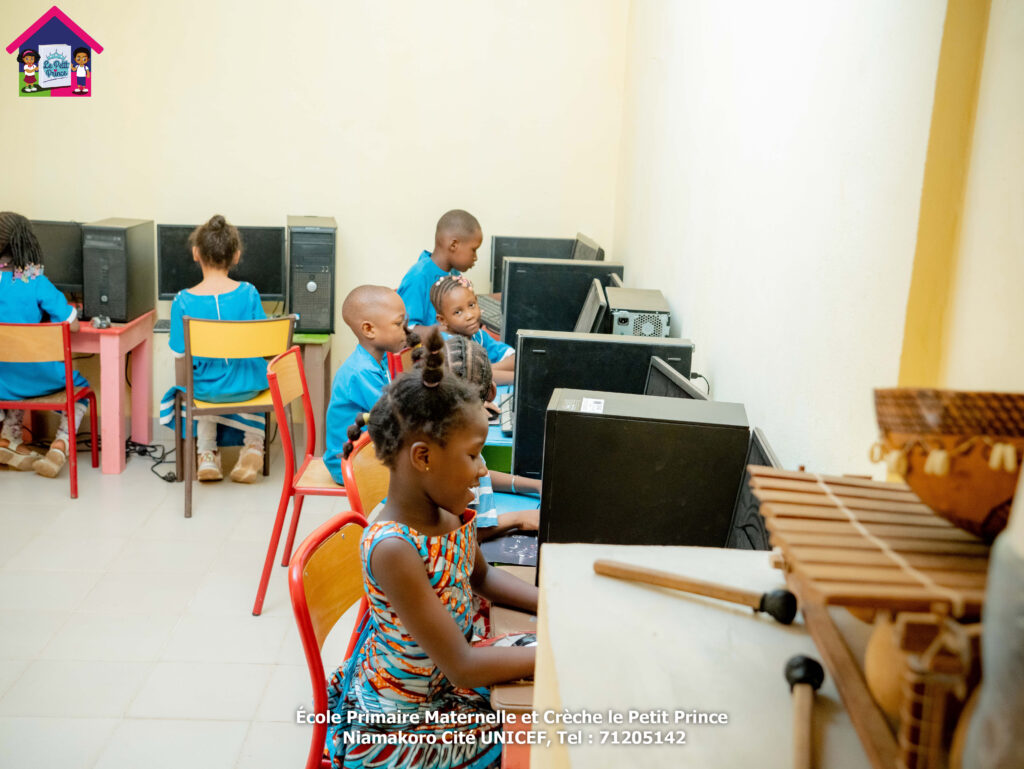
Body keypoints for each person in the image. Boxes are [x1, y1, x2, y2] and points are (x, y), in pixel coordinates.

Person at [325, 329, 537, 768]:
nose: (482, 471)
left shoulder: (448, 513)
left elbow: (483, 578)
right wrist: (559, 654)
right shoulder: (393, 548)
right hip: (401, 721)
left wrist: (556, 605)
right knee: (535, 736)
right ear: (423, 458)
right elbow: (462, 665)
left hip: (447, 679)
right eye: (474, 456)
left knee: (543, 674)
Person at [167, 214, 267, 483]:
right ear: (236, 256)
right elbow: (263, 342)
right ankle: (254, 444)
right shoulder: (249, 292)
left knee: (200, 380)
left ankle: (207, 454)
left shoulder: (182, 301)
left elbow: (179, 353)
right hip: (248, 385)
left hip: (207, 390)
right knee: (254, 371)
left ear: (196, 253)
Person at [0, 212, 90, 477]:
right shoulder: (35, 280)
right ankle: (60, 445)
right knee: (81, 387)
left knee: (14, 380)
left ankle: (9, 439)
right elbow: (72, 325)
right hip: (38, 379)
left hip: (3, 381)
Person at [443, 334, 539, 539]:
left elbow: (481, 476)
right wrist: (519, 519)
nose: (480, 467)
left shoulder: (447, 435)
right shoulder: (457, 446)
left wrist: (533, 485)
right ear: (492, 392)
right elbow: (464, 534)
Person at [323, 285, 410, 485]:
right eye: (398, 324)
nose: (407, 330)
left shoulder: (378, 360)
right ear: (369, 330)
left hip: (366, 453)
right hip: (349, 463)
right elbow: (395, 418)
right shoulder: (362, 371)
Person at [397, 209, 482, 335]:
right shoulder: (418, 277)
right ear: (453, 245)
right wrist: (448, 330)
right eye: (473, 250)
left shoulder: (454, 273)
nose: (475, 257)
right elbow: (404, 330)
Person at [430, 274, 515, 385]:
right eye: (458, 312)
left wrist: (484, 369)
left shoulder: (478, 336)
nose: (470, 315)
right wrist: (519, 379)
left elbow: (514, 359)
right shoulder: (448, 346)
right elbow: (473, 378)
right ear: (442, 319)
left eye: (471, 305)